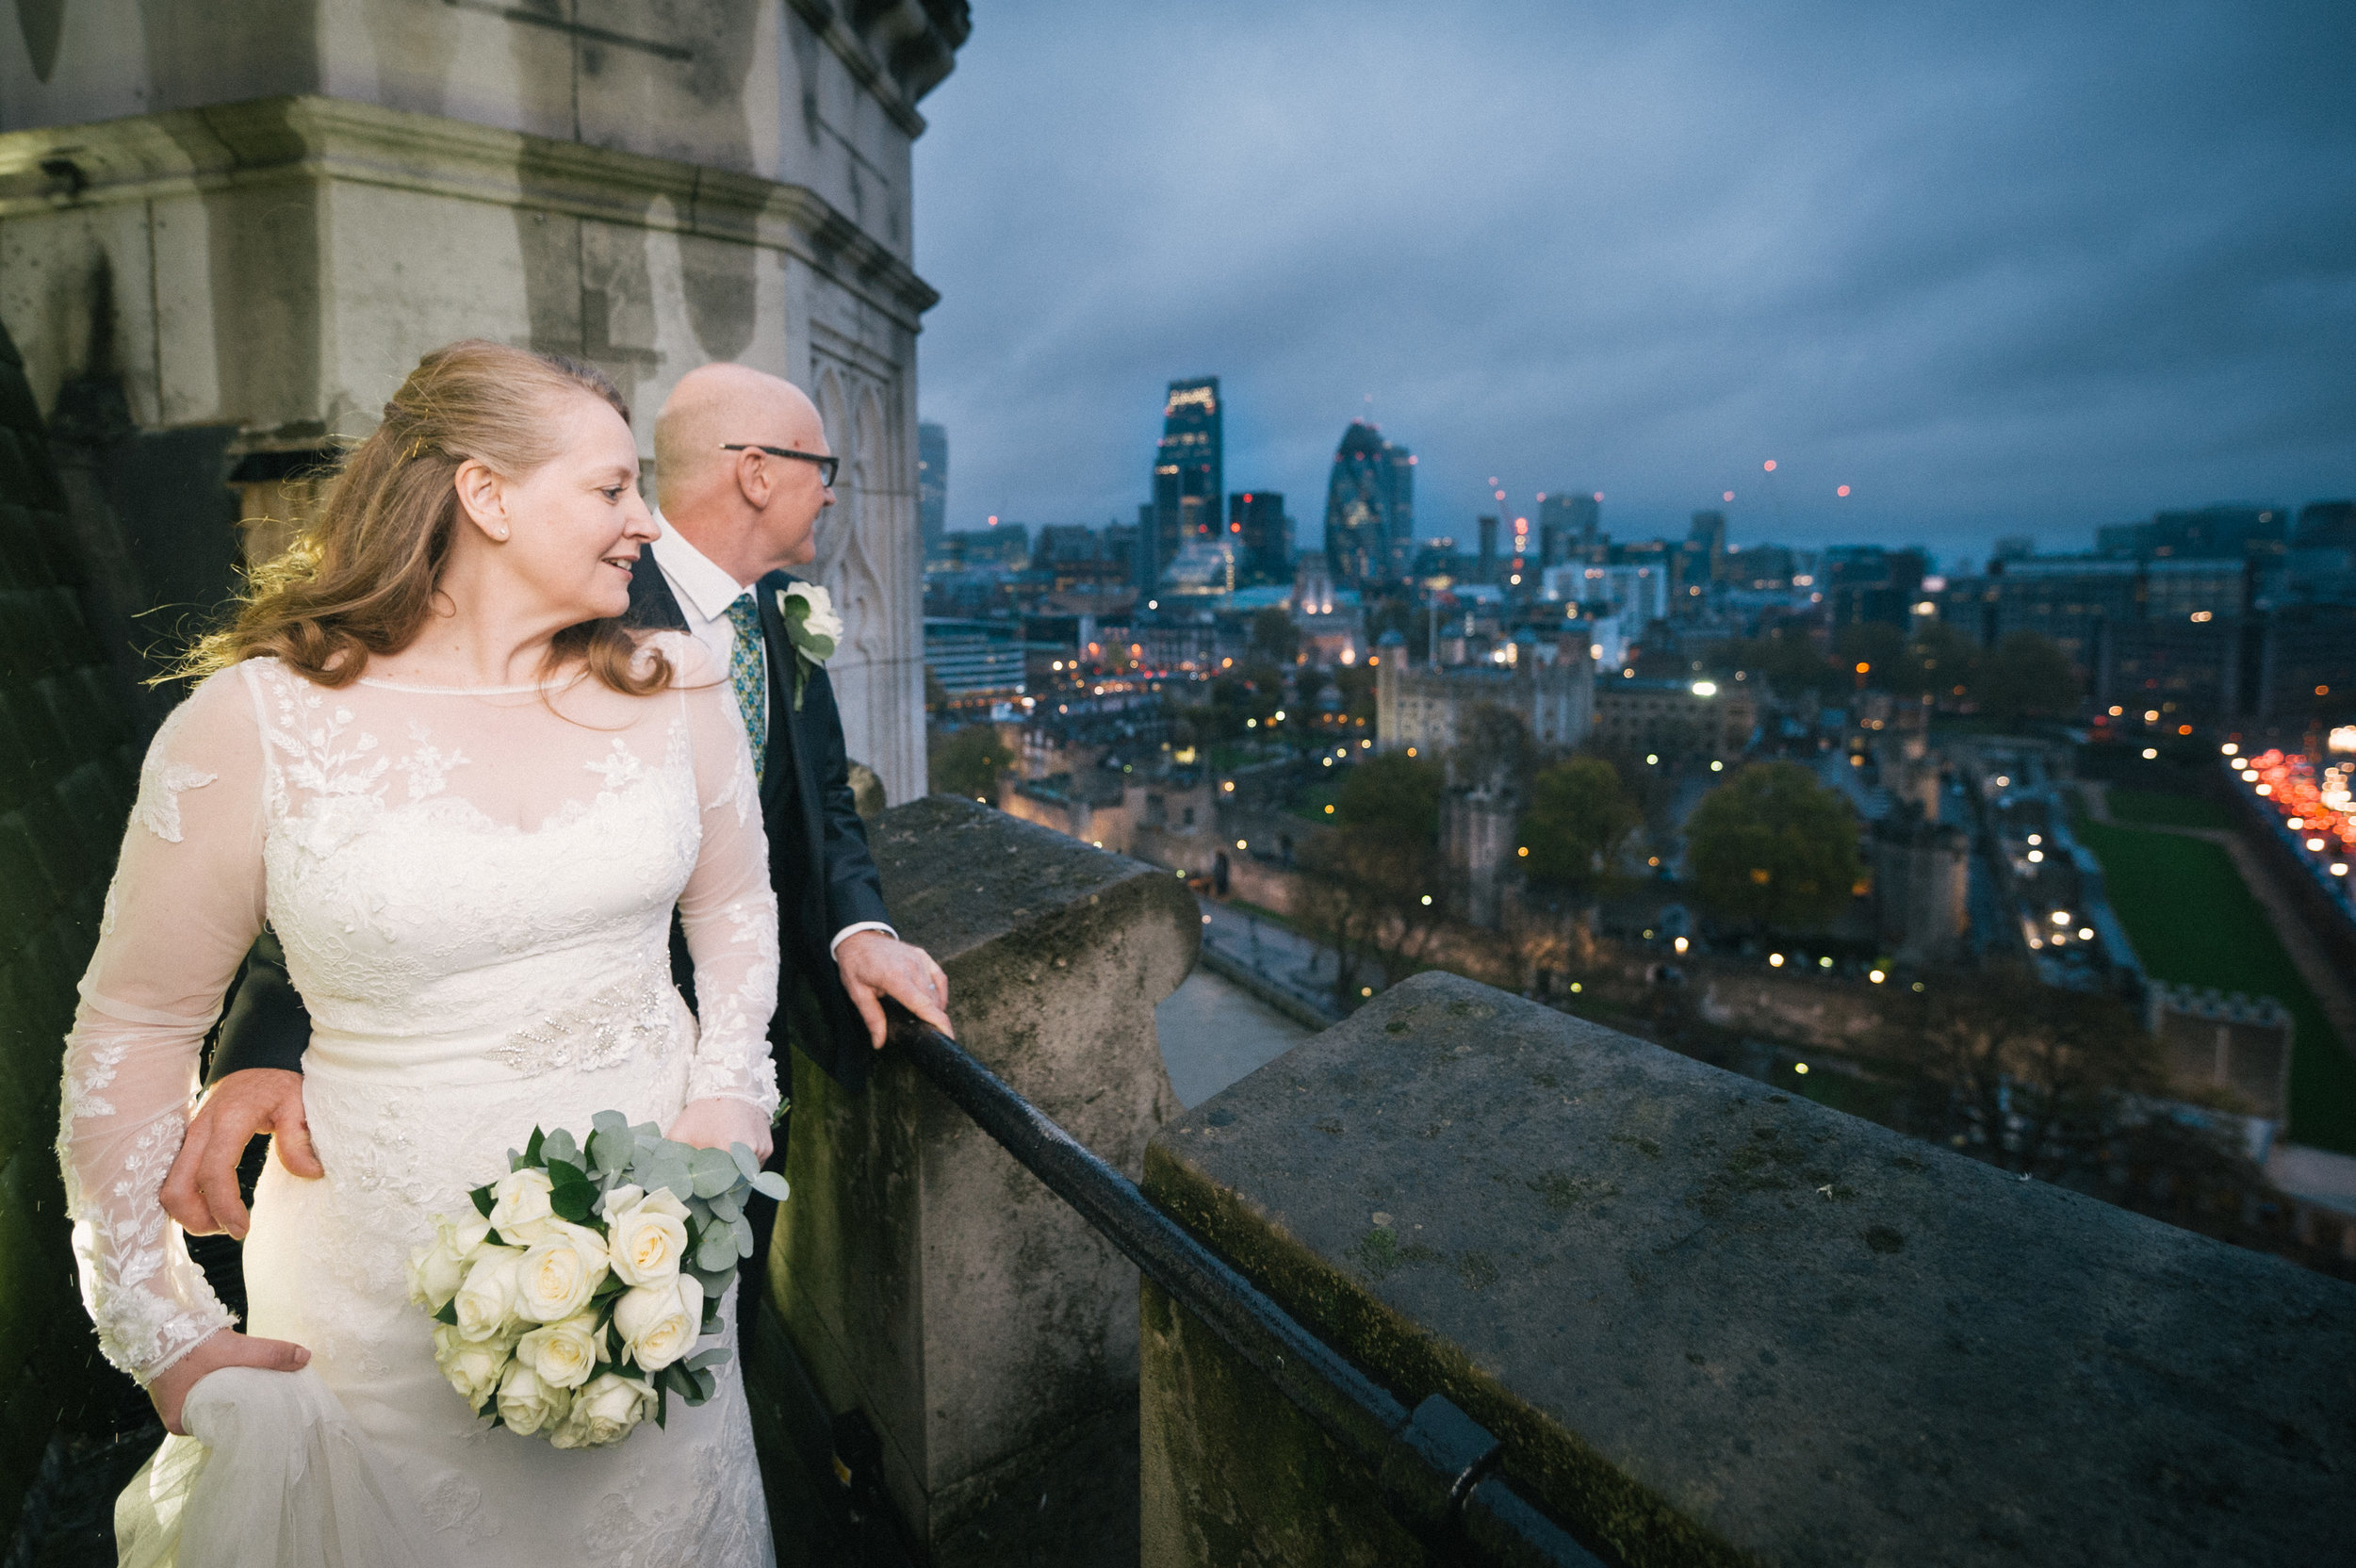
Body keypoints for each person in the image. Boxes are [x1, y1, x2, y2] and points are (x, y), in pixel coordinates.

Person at [55, 342, 918, 1567]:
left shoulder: (681, 682)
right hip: (369, 1303)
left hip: (656, 1265)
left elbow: (733, 908)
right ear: (487, 496)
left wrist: (730, 1097)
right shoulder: (253, 724)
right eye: (612, 490)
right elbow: (135, 1025)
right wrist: (159, 1326)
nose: (642, 521)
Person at [164, 362, 955, 1327]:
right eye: (820, 464)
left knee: (707, 1329)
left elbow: (821, 807)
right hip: (533, 1110)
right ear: (756, 472)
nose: (833, 487)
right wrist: (263, 1044)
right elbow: (367, 834)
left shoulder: (780, 621)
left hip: (742, 1073)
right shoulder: (568, 604)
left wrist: (858, 927)